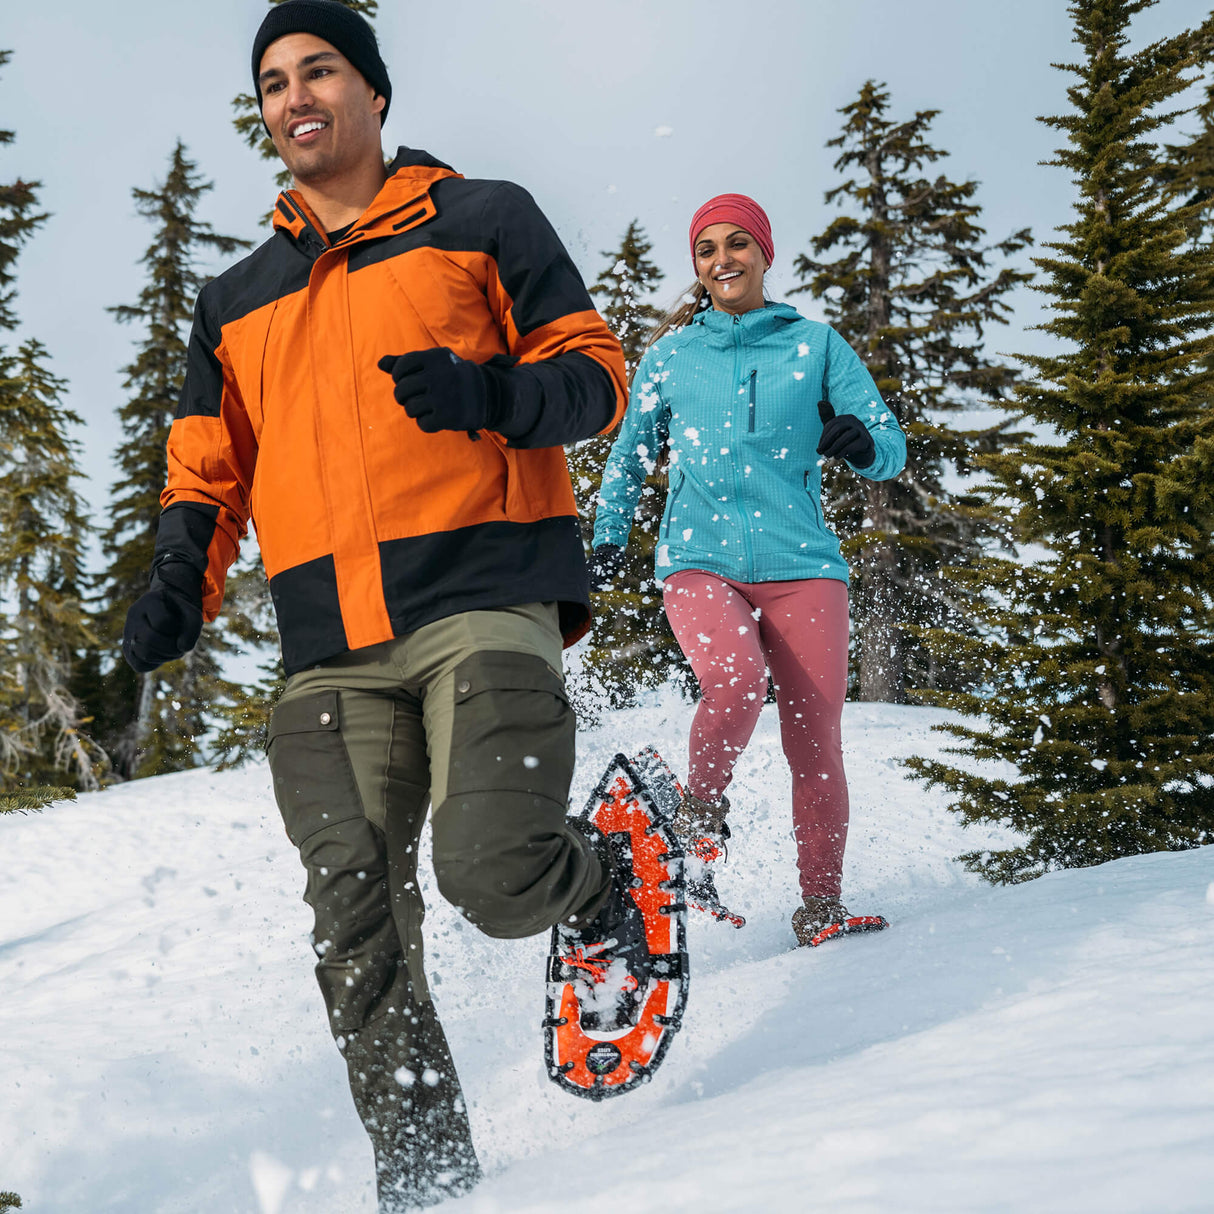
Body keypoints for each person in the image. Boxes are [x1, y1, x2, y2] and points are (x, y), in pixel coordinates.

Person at [120, 2, 641, 1208]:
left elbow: (596, 374)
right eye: (271, 83)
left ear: (374, 93)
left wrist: (493, 396)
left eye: (318, 70)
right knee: (355, 930)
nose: (293, 96)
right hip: (327, 651)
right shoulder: (236, 298)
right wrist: (174, 594)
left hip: (481, 598)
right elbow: (206, 474)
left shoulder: (483, 218)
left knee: (488, 868)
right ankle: (427, 1181)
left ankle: (605, 881)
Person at [589, 193, 906, 947]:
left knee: (815, 741)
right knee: (735, 681)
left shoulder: (816, 345)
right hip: (700, 560)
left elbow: (890, 444)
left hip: (803, 566)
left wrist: (862, 442)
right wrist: (607, 535)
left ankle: (821, 908)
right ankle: (696, 822)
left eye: (737, 244)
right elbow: (630, 454)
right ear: (697, 265)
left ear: (766, 253)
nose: (722, 259)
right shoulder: (672, 356)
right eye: (707, 249)